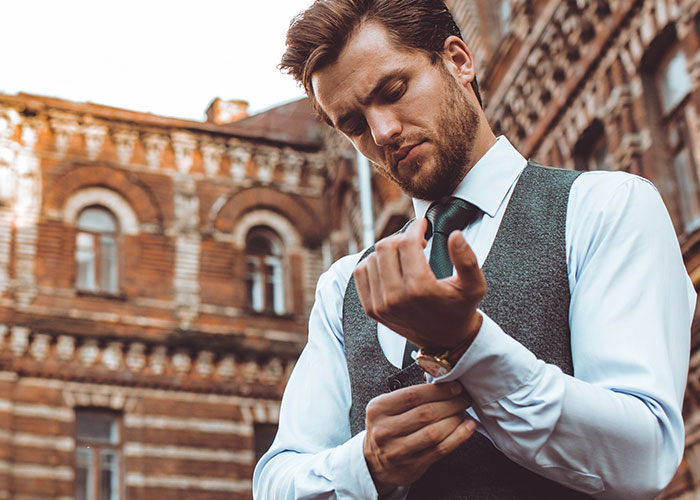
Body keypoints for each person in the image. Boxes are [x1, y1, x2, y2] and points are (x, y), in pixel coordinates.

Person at [253, 0, 696, 498]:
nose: (382, 132)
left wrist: (467, 345)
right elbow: (277, 479)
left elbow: (644, 455)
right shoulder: (342, 288)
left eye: (394, 91)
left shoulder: (604, 208)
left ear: (459, 60)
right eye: (355, 125)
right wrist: (366, 465)